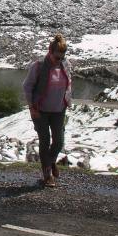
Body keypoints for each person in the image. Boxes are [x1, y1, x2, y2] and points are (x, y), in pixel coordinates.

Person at [23, 33, 72, 188]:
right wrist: (32, 107)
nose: (60, 60)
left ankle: (50, 162)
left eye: (62, 57)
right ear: (49, 52)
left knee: (59, 141)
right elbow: (27, 86)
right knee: (45, 140)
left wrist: (67, 100)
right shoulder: (38, 66)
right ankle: (47, 174)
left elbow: (69, 83)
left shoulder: (65, 65)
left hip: (59, 109)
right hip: (41, 110)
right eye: (57, 57)